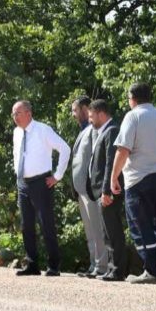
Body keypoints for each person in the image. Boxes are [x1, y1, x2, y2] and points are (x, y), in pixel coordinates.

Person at [110, 83, 156, 284]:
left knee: (140, 225)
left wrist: (113, 176)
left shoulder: (133, 116)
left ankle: (151, 269)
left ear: (132, 98)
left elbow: (123, 150)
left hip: (138, 179)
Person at [10, 100, 71, 277]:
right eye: (13, 114)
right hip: (23, 183)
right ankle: (32, 264)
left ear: (29, 113)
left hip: (41, 183)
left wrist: (57, 176)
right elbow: (17, 155)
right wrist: (18, 177)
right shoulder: (16, 132)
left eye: (18, 113)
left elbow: (65, 149)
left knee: (46, 224)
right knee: (26, 225)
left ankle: (54, 265)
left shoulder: (42, 129)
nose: (15, 117)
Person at [87, 99, 130, 282]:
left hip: (109, 191)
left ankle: (118, 269)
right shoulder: (104, 131)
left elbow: (110, 164)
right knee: (107, 231)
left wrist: (106, 190)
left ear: (101, 113)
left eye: (91, 116)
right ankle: (113, 268)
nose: (89, 120)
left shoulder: (111, 131)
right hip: (102, 191)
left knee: (113, 230)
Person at [68, 96, 110, 278]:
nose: (73, 114)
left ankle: (102, 266)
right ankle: (95, 264)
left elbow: (96, 160)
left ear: (86, 109)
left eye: (75, 110)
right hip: (81, 189)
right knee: (89, 230)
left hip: (91, 188)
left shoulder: (94, 130)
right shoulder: (83, 130)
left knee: (97, 229)